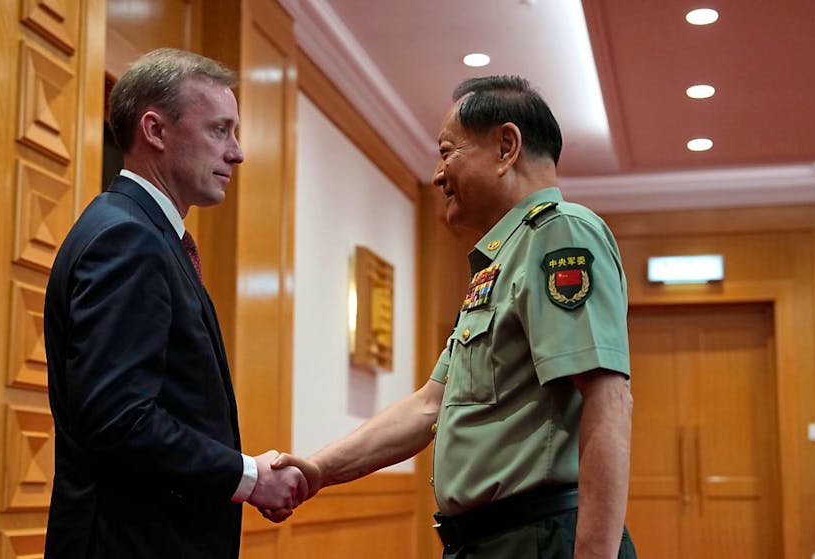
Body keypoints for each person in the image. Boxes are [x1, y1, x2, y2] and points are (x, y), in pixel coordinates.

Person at [274, 76, 636, 558]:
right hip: (490, 542)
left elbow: (608, 398)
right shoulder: (502, 262)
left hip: (539, 539)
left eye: (447, 152)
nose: (438, 175)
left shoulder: (560, 233)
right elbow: (430, 406)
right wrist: (319, 469)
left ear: (507, 146)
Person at [43, 48, 307, 559]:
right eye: (220, 130)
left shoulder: (138, 231)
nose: (238, 152)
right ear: (156, 131)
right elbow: (120, 418)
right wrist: (248, 476)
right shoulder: (127, 238)